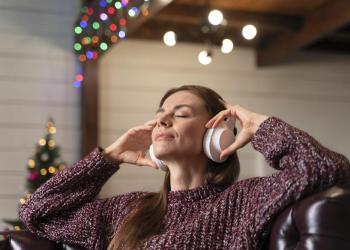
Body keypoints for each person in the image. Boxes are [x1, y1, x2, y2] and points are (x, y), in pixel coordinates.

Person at [19, 85, 350, 250]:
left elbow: (326, 169)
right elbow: (38, 212)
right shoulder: (127, 210)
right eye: (161, 112)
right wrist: (108, 158)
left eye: (180, 113)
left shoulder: (245, 202)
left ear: (216, 134)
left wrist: (260, 126)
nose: (162, 119)